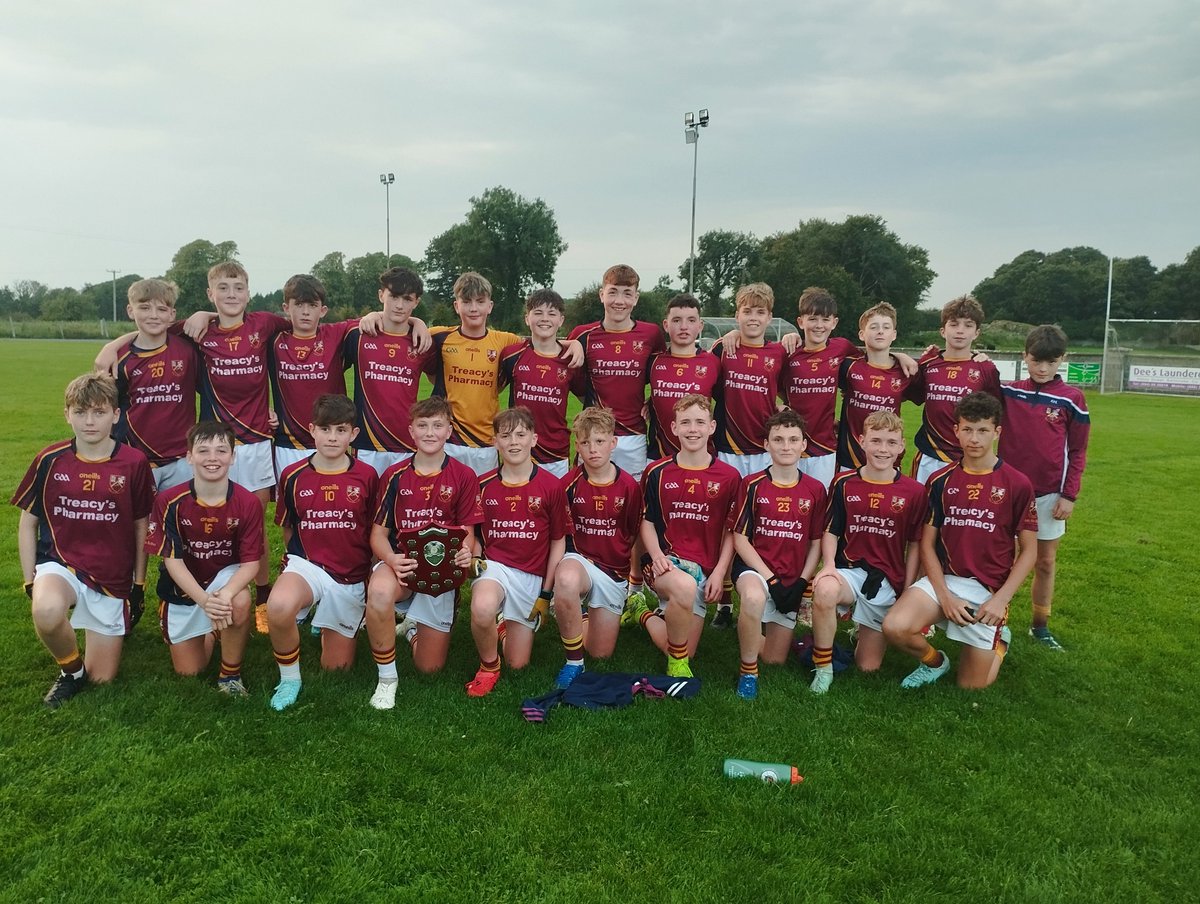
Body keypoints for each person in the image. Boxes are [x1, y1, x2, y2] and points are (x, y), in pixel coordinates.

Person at [12, 373, 155, 707]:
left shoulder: (134, 462)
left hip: (111, 575)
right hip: (60, 563)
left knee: (102, 678)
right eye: (80, 412)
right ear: (67, 415)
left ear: (115, 415)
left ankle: (104, 635)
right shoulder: (49, 459)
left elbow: (141, 525)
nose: (89, 421)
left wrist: (139, 584)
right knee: (46, 610)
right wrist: (30, 579)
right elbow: (28, 522)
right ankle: (71, 671)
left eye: (99, 412)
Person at [882, 392, 1038, 690]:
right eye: (967, 429)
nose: (974, 438)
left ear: (997, 432)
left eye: (983, 430)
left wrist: (1001, 599)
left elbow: (1030, 551)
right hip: (945, 581)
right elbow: (927, 544)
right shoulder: (940, 480)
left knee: (972, 686)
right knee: (895, 627)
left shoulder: (1017, 483)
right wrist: (945, 596)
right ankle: (935, 662)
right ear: (956, 430)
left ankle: (1000, 641)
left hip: (987, 591)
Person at [365, 397, 482, 709]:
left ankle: (412, 630)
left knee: (429, 668)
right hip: (402, 565)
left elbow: (467, 533)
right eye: (423, 425)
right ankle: (387, 679)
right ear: (411, 431)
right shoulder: (394, 475)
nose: (430, 432)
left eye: (437, 425)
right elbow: (378, 535)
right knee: (379, 592)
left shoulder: (464, 476)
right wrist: (391, 559)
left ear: (449, 431)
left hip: (440, 573)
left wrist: (464, 552)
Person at [267, 394, 378, 710]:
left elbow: (373, 530)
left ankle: (325, 618)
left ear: (353, 434)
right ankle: (290, 679)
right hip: (309, 565)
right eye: (325, 429)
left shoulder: (367, 476)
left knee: (336, 669)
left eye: (341, 430)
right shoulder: (292, 475)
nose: (332, 437)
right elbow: (288, 527)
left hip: (350, 575)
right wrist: (292, 565)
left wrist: (369, 577)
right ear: (312, 429)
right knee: (278, 605)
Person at [810, 411, 928, 693]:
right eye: (876, 441)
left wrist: (907, 588)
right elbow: (831, 530)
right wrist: (828, 566)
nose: (882, 449)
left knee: (868, 666)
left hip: (886, 579)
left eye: (891, 442)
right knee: (825, 590)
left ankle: (860, 629)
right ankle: (823, 669)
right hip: (849, 571)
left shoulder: (914, 491)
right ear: (862, 441)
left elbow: (915, 543)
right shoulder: (843, 482)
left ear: (901, 446)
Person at [145, 421, 263, 695]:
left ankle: (229, 676)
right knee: (190, 671)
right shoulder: (169, 501)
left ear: (233, 457)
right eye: (203, 450)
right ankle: (212, 629)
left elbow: (251, 564)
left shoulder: (247, 502)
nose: (213, 458)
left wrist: (225, 595)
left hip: (224, 580)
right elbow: (172, 561)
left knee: (240, 600)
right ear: (189, 456)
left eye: (221, 450)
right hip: (185, 587)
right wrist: (205, 601)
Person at [428, 272, 581, 476]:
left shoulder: (506, 342)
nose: (473, 308)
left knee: (485, 494)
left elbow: (541, 341)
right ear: (456, 306)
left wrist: (573, 343)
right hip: (449, 439)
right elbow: (405, 329)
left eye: (480, 301)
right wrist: (413, 321)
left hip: (487, 442)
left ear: (490, 306)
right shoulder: (439, 336)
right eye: (466, 302)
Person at [633, 395, 740, 679]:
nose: (693, 429)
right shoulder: (656, 471)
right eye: (686, 422)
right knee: (683, 587)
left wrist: (720, 574)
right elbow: (646, 521)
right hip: (665, 565)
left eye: (700, 422)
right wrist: (657, 557)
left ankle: (641, 612)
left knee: (682, 647)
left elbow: (731, 531)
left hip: (704, 571)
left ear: (712, 427)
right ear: (674, 428)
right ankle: (677, 668)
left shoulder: (729, 477)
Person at [998, 324, 1091, 651]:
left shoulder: (1072, 399)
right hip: (1007, 492)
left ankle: (1040, 626)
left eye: (1051, 362)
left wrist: (1069, 494)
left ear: (1062, 359)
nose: (1042, 368)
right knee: (1001, 560)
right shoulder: (1008, 391)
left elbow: (1078, 451)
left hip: (1050, 495)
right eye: (1036, 360)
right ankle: (995, 621)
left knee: (1045, 561)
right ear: (1024, 356)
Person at [466, 407, 568, 697]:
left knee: (518, 663)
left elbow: (558, 541)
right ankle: (488, 667)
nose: (513, 442)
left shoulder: (551, 486)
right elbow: (474, 534)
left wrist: (545, 593)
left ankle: (502, 627)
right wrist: (474, 556)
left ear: (534, 439)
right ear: (495, 441)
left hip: (530, 577)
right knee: (482, 607)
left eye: (521, 435)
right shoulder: (483, 484)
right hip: (495, 568)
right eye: (506, 435)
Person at [728, 409, 826, 699]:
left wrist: (801, 583)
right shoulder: (752, 484)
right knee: (753, 597)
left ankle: (749, 627)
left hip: (791, 576)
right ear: (766, 444)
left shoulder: (815, 489)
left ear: (803, 445)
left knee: (774, 659)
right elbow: (740, 539)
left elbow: (816, 543)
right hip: (755, 570)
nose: (786, 446)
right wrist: (770, 579)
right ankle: (748, 672)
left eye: (793, 440)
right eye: (778, 439)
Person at [552, 407, 644, 688]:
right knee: (566, 579)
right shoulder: (567, 484)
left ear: (613, 443)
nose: (593, 449)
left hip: (613, 571)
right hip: (580, 561)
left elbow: (632, 533)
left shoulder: (629, 487)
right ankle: (573, 662)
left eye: (600, 441)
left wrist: (629, 573)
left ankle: (577, 614)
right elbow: (560, 533)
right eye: (586, 442)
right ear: (577, 446)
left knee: (600, 653)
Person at [569, 264, 666, 480]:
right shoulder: (582, 335)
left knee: (633, 495)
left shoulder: (651, 334)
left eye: (627, 293)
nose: (619, 301)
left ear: (636, 298)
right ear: (601, 295)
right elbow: (570, 379)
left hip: (634, 435)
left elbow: (665, 370)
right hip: (594, 434)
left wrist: (654, 400)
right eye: (612, 292)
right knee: (590, 494)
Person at [112, 278, 198, 491]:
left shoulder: (187, 350)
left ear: (172, 314)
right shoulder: (118, 358)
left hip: (181, 459)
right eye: (144, 308)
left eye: (161, 309)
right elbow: (108, 408)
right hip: (135, 457)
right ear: (130, 311)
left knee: (177, 511)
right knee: (136, 513)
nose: (153, 315)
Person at [268, 274, 356, 476]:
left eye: (312, 305)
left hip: (331, 441)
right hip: (288, 444)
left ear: (323, 310)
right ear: (286, 308)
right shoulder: (273, 340)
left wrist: (416, 322)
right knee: (290, 496)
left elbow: (379, 318)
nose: (306, 312)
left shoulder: (337, 335)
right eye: (299, 305)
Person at [909, 295, 1002, 484]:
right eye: (954, 324)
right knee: (922, 504)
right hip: (929, 456)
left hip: (968, 458)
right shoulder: (927, 363)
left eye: (968, 325)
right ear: (943, 331)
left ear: (976, 333)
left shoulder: (986, 368)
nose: (960, 330)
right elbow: (910, 394)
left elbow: (995, 414)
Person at [499, 289, 582, 478]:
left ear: (561, 320)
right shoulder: (511, 355)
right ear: (527, 318)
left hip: (555, 453)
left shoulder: (571, 359)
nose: (545, 319)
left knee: (554, 497)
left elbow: (586, 399)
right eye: (538, 313)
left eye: (552, 314)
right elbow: (493, 391)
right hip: (518, 448)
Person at [836, 302, 917, 471]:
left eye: (886, 327)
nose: (880, 331)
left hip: (887, 459)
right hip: (850, 460)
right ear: (861, 334)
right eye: (874, 327)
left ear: (894, 334)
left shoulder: (906, 371)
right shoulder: (849, 366)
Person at [646, 293, 721, 460]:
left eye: (691, 320)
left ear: (700, 326)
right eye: (676, 320)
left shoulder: (713, 363)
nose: (684, 327)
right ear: (666, 325)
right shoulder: (653, 362)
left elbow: (728, 403)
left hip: (700, 457)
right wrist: (650, 401)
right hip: (659, 456)